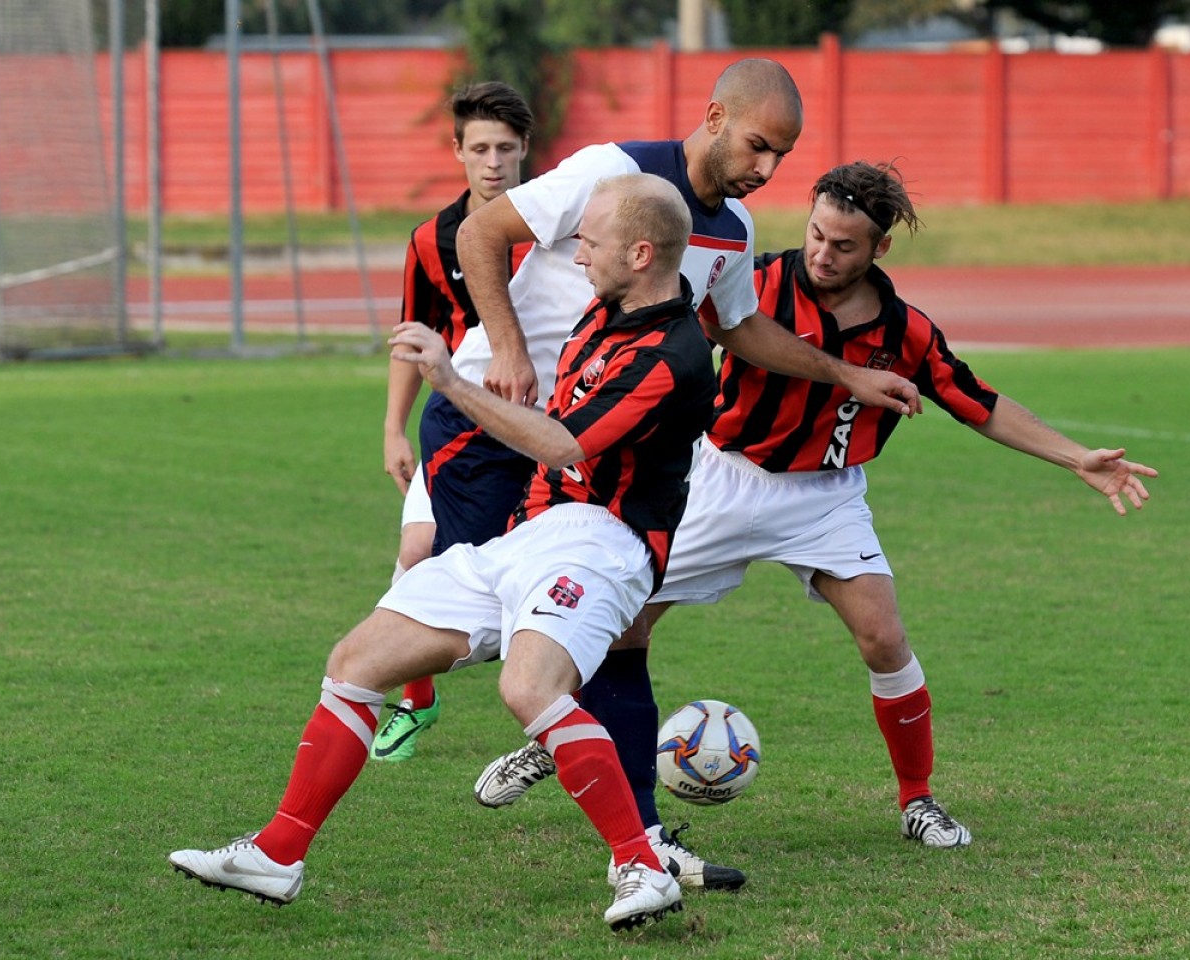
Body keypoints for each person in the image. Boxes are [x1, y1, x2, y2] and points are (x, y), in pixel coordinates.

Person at [474, 161, 1160, 859]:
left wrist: (1077, 457)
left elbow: (976, 403)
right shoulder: (759, 282)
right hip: (722, 478)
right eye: (816, 235)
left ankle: (916, 798)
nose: (823, 255)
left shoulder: (906, 332)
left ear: (878, 250)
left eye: (844, 246)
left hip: (825, 499)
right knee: (621, 625)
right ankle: (558, 738)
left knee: (884, 637)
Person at [381, 57, 922, 890]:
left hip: (589, 443)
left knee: (611, 630)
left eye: (781, 155)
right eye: (757, 146)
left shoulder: (732, 232)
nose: (767, 170)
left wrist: (844, 375)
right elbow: (480, 234)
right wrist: (514, 353)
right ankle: (422, 721)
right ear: (713, 117)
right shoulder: (612, 170)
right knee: (457, 628)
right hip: (494, 423)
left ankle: (639, 838)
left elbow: (738, 330)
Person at [169, 173, 717, 931]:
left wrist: (447, 379)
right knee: (356, 661)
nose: (576, 251)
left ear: (642, 252)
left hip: (605, 545)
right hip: (530, 536)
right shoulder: (610, 306)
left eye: (589, 241)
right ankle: (277, 854)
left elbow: (561, 445)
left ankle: (642, 869)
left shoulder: (674, 354)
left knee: (529, 689)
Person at [371, 81, 534, 762]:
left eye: (504, 148)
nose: (492, 161)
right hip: (458, 421)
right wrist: (393, 426)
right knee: (414, 556)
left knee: (542, 573)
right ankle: (417, 698)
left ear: (525, 150)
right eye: (480, 148)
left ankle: (560, 711)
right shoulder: (431, 239)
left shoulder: (554, 229)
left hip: (543, 425)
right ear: (458, 151)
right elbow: (416, 334)